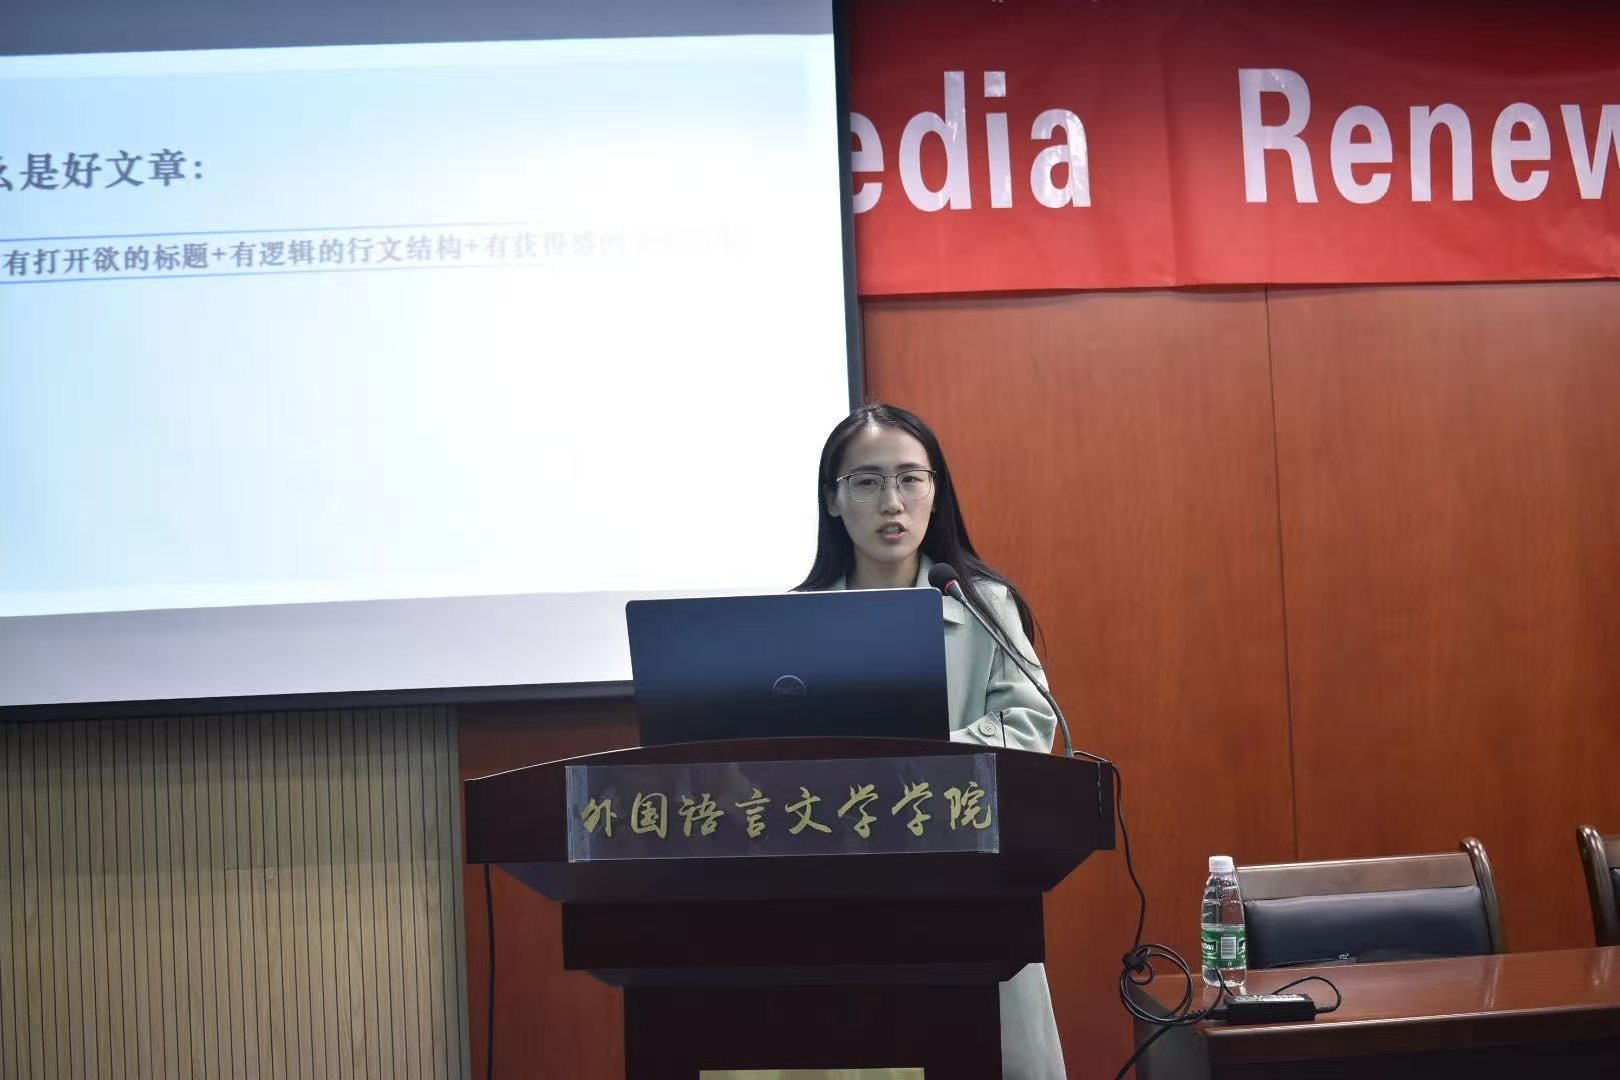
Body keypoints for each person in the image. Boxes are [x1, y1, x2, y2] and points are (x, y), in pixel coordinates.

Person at [796, 402, 1066, 1080]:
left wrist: (917, 760)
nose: (892, 502)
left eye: (910, 479)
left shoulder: (982, 604)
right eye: (866, 481)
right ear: (832, 499)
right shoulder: (797, 620)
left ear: (936, 492)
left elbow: (1030, 725)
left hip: (966, 885)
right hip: (840, 894)